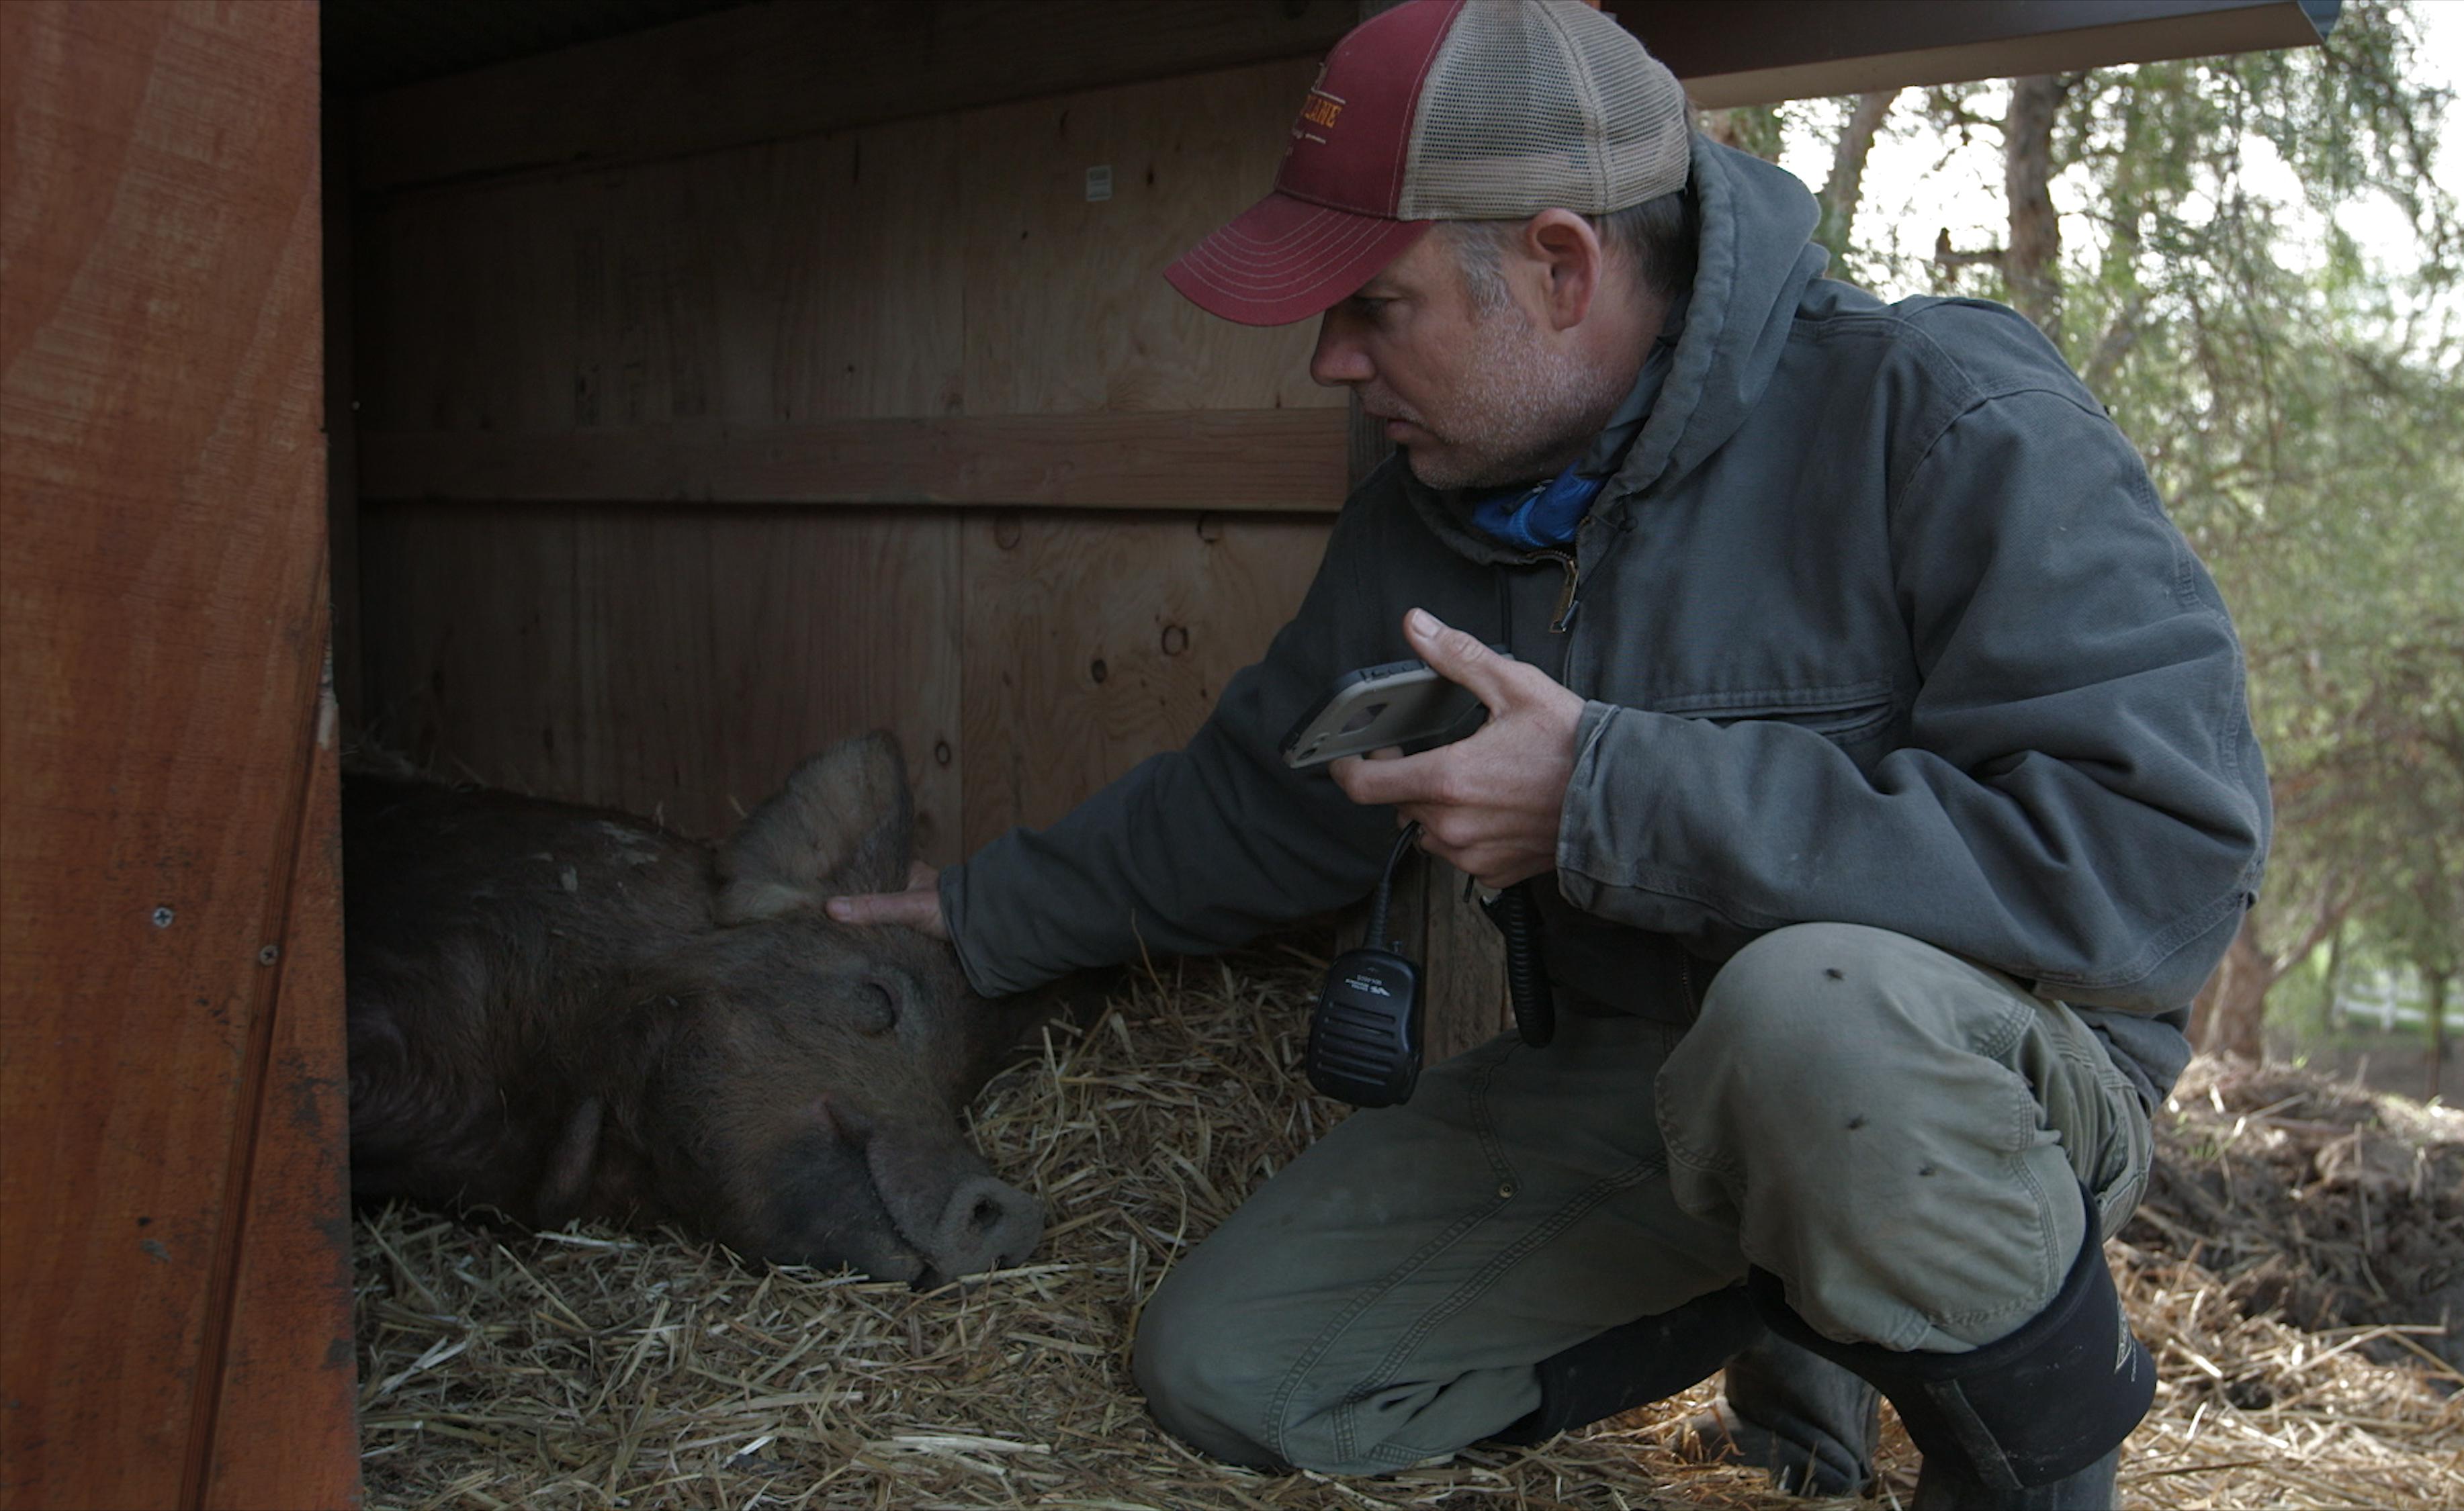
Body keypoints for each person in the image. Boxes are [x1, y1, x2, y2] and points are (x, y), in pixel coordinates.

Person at [830, 1, 2273, 1505]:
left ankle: (2029, 1458)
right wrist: (975, 917)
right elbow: (1265, 801)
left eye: (1373, 305)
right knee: (1229, 1370)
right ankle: (1797, 1299)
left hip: (1985, 1092)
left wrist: (1605, 793)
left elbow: (2155, 866)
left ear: (1561, 267)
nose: (1328, 361)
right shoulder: (1434, 499)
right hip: (1650, 1079)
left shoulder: (1940, 412)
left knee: (1808, 1021)